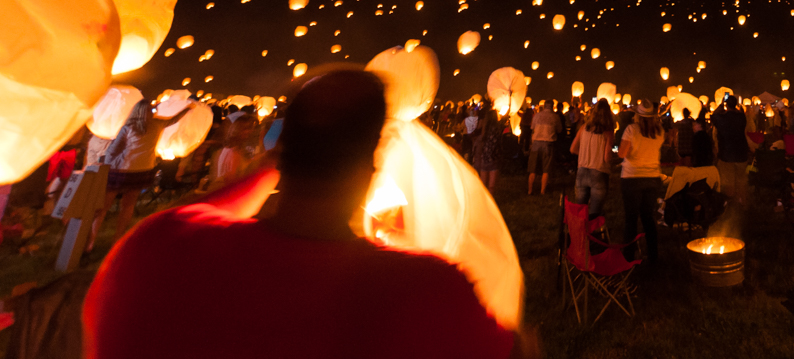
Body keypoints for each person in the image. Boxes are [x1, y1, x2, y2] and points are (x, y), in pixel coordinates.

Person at [83, 69, 529, 359]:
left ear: (279, 147)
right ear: (369, 168)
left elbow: (190, 217)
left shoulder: (157, 253)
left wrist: (264, 170)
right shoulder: (428, 295)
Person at [89, 99, 196, 250]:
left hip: (123, 170)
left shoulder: (128, 127)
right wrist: (186, 109)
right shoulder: (157, 124)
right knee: (128, 206)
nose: (152, 113)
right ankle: (117, 240)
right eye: (150, 111)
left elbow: (113, 150)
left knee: (104, 206)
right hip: (143, 170)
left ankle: (91, 241)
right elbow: (174, 119)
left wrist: (107, 163)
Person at [618, 100, 664, 263]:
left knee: (631, 219)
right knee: (647, 217)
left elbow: (622, 153)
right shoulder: (659, 132)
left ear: (637, 115)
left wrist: (619, 148)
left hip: (632, 178)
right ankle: (653, 255)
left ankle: (628, 257)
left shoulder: (631, 130)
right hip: (652, 178)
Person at [571, 99, 614, 217]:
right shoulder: (608, 132)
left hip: (582, 171)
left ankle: (579, 233)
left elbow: (573, 149)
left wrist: (585, 154)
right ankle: (593, 233)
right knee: (594, 213)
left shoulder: (583, 128)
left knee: (580, 211)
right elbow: (606, 157)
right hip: (599, 172)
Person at [714, 95, 750, 205]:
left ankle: (729, 204)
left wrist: (720, 107)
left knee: (727, 182)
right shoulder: (741, 118)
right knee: (741, 180)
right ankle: (742, 202)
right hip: (741, 153)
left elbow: (713, 116)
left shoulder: (722, 118)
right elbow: (741, 114)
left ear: (726, 105)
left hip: (726, 154)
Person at [528, 101, 561, 195]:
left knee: (532, 168)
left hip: (536, 143)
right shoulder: (555, 117)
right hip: (548, 143)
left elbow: (532, 128)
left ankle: (530, 190)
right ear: (552, 106)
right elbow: (559, 129)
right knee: (546, 169)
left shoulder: (537, 116)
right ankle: (542, 191)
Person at [473, 108, 504, 191]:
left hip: (484, 158)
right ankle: (490, 201)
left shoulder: (484, 129)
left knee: (483, 183)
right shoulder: (497, 129)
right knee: (491, 185)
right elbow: (498, 144)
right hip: (493, 158)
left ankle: (483, 201)